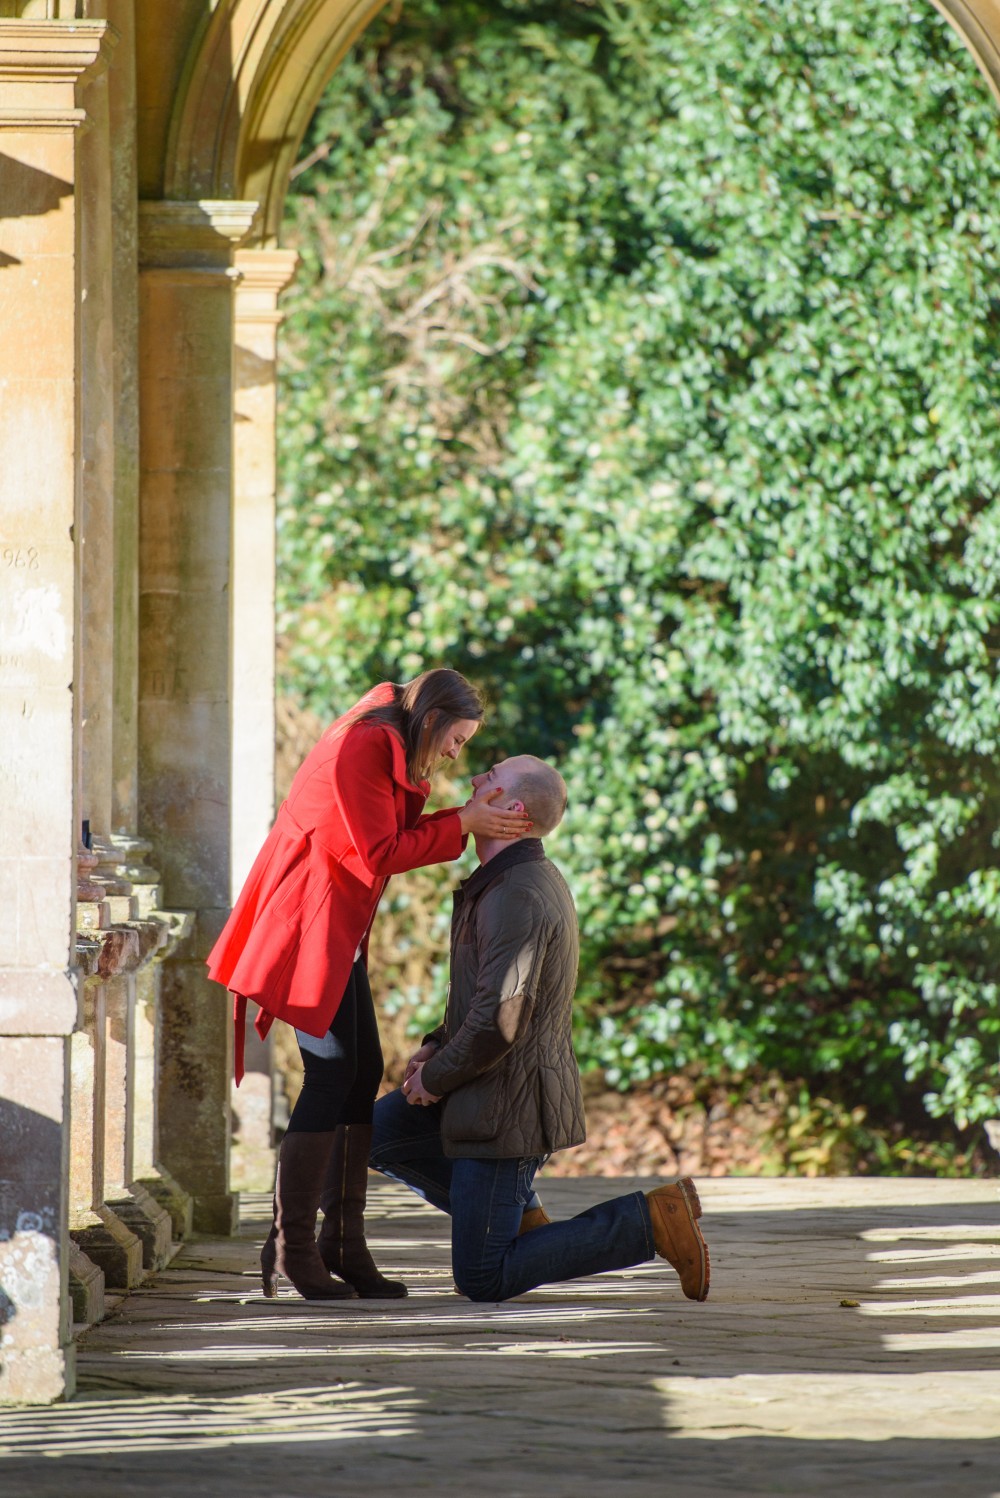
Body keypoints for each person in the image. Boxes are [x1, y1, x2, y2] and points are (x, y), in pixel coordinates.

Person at [206, 669, 532, 1302]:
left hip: (337, 924)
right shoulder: (366, 742)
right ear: (433, 718)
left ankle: (343, 1244)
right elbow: (379, 851)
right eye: (456, 739)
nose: (454, 754)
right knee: (331, 1074)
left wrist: (458, 817)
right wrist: (463, 820)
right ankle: (293, 1246)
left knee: (363, 1069)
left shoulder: (393, 738)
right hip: (305, 922)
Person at [369, 753, 711, 1303]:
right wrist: (436, 1043)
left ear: (513, 810)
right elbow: (487, 997)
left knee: (484, 1277)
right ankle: (514, 1216)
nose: (476, 780)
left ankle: (649, 1221)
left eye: (491, 779)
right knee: (377, 1134)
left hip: (506, 1108)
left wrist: (436, 1077)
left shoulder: (518, 894)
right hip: (480, 1088)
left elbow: (500, 1023)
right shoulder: (501, 883)